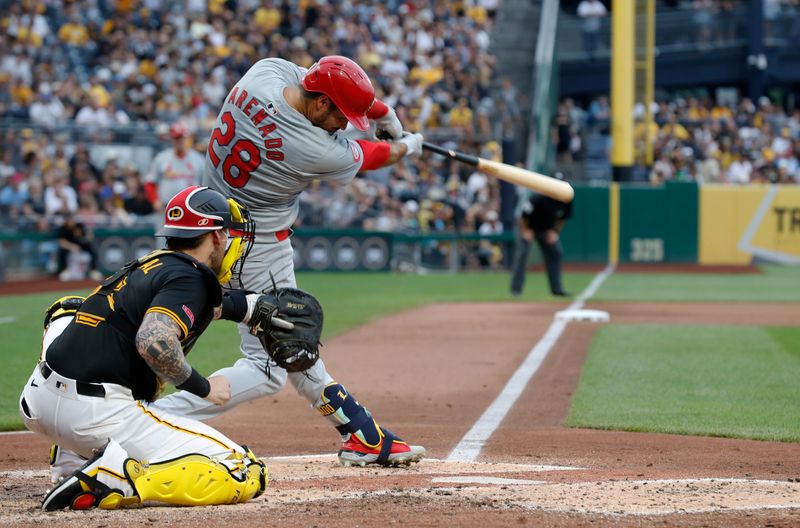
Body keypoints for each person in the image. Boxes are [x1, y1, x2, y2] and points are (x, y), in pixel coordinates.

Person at [153, 55, 426, 467]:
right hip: (255, 245)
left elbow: (322, 83)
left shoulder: (264, 72)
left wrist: (380, 111)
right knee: (267, 366)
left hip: (221, 227)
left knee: (291, 340)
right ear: (320, 106)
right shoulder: (313, 147)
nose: (343, 124)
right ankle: (148, 421)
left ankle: (359, 431)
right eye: (341, 117)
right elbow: (373, 156)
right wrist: (405, 147)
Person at [19, 186, 268, 511]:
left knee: (67, 309)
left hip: (36, 401)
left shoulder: (147, 265)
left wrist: (251, 308)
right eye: (226, 232)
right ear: (216, 236)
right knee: (245, 470)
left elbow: (202, 305)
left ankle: (68, 457)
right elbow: (153, 341)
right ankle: (119, 478)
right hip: (96, 417)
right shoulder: (191, 278)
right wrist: (205, 389)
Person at [510, 186, 573, 297]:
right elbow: (523, 216)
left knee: (555, 253)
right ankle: (516, 290)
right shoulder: (538, 198)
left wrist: (555, 232)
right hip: (528, 227)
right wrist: (525, 230)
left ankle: (557, 289)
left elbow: (564, 218)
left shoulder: (566, 199)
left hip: (546, 230)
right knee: (522, 254)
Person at [145, 122, 205, 211]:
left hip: (192, 208)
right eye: (176, 138)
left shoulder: (199, 160)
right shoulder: (161, 158)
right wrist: (155, 201)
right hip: (166, 208)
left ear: (187, 138)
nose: (179, 141)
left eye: (181, 137)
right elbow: (150, 183)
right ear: (171, 139)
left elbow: (205, 185)